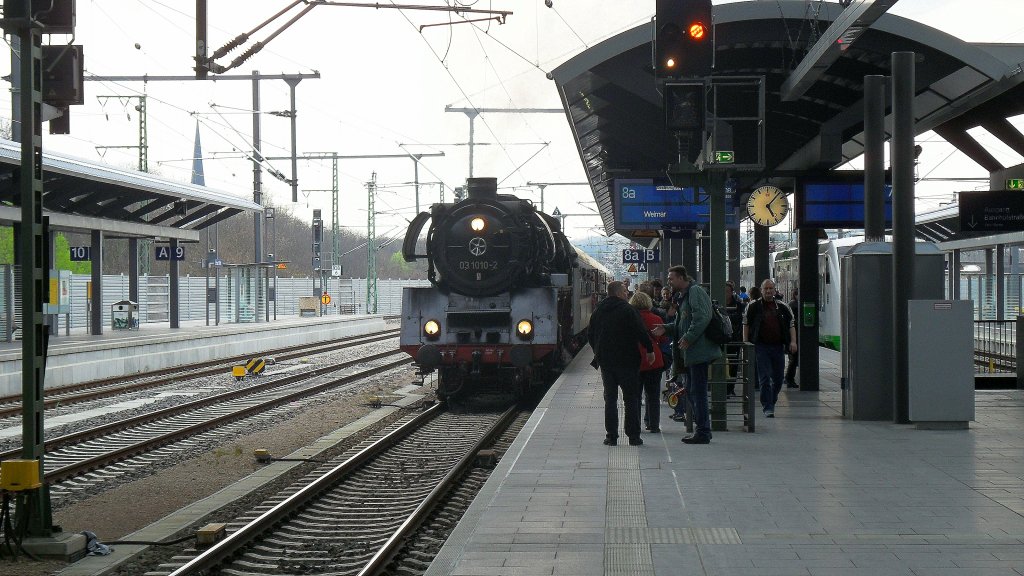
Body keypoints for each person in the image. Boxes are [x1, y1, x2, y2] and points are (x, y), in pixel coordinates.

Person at [652, 265, 720, 444]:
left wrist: (689, 337)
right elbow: (682, 324)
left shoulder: (695, 292)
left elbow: (702, 317)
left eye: (671, 278)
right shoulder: (684, 296)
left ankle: (703, 431)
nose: (669, 282)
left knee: (697, 391)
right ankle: (702, 429)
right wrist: (665, 328)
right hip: (690, 353)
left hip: (699, 352)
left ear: (682, 278)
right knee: (692, 391)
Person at [588, 281, 656, 446]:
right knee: (631, 399)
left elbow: (591, 335)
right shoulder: (628, 310)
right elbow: (641, 331)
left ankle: (611, 436)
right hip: (628, 361)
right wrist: (649, 349)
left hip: (607, 362)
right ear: (618, 293)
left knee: (610, 399)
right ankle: (633, 436)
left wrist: (598, 352)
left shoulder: (598, 311)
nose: (627, 294)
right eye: (625, 291)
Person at [742, 279, 797, 418]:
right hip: (761, 346)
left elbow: (791, 324)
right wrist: (745, 343)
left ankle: (771, 400)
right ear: (761, 290)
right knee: (765, 377)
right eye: (766, 288)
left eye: (771, 288)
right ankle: (768, 406)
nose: (768, 291)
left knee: (778, 379)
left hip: (778, 346)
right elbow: (746, 323)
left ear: (774, 290)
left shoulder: (783, 307)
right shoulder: (753, 306)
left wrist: (793, 342)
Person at [630, 291, 666, 433]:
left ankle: (636, 425)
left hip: (635, 360)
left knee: (635, 396)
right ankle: (653, 425)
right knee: (653, 395)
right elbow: (663, 340)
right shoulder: (656, 318)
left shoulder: (629, 319)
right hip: (654, 361)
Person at [785, 289, 800, 388]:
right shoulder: (794, 305)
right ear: (795, 295)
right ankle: (789, 378)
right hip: (793, 336)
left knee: (793, 359)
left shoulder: (791, 304)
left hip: (792, 336)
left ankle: (789, 378)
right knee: (793, 359)